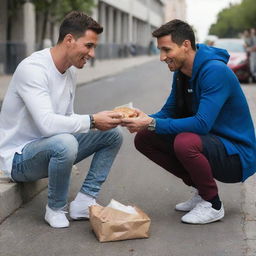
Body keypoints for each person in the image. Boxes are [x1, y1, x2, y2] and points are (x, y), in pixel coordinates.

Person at [121, 19, 256, 224]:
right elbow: (170, 111)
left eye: (166, 49)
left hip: (237, 155)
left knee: (185, 141)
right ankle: (203, 192)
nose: (162, 57)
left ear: (185, 45)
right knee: (145, 138)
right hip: (212, 143)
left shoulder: (214, 71)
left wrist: (152, 123)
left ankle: (213, 204)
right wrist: (144, 119)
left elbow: (202, 124)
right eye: (160, 50)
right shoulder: (182, 73)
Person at [0, 11, 123, 228]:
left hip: (51, 147)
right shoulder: (34, 69)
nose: (92, 54)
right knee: (64, 143)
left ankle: (84, 201)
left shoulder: (70, 71)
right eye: (88, 45)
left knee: (113, 133)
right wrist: (93, 120)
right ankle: (55, 208)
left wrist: (105, 119)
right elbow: (47, 124)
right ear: (69, 40)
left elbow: (65, 118)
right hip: (19, 158)